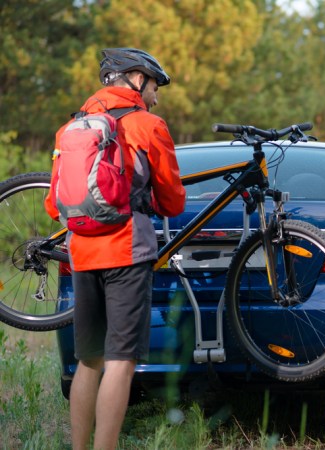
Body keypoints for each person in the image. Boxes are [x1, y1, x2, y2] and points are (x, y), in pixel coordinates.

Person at [44, 48, 186, 450]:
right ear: (137, 80)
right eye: (155, 85)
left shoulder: (69, 129)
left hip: (81, 255)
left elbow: (54, 205)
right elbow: (173, 202)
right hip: (127, 252)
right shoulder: (148, 125)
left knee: (88, 360)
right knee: (121, 361)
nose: (156, 95)